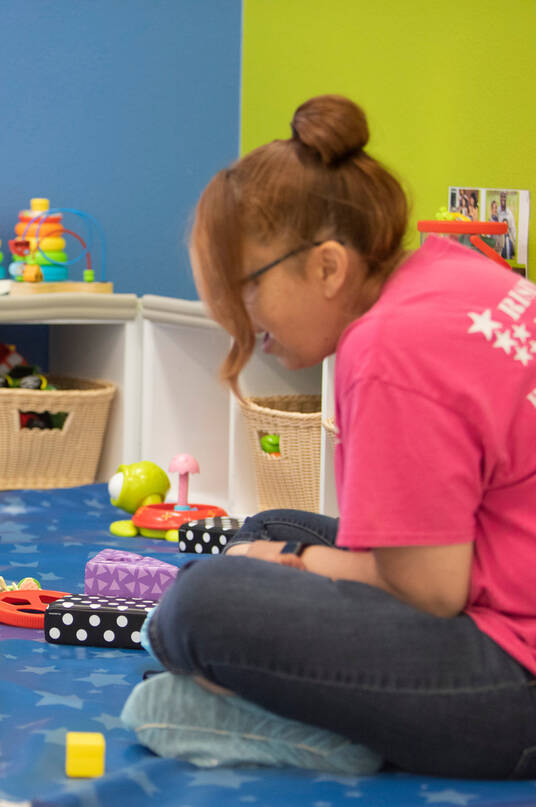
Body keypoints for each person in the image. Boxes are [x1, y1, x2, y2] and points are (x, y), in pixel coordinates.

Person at [123, 95, 536, 778]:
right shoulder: (447, 272)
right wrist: (283, 548)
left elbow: (433, 589)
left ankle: (320, 722)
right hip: (500, 594)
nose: (243, 320)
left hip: (510, 677)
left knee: (202, 604)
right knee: (270, 524)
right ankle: (275, 673)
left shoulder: (388, 347)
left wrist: (293, 563)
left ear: (327, 267)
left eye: (248, 288)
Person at [498, 191, 517, 261]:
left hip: (508, 240)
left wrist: (514, 242)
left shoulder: (510, 214)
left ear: (506, 198)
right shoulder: (497, 212)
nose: (503, 199)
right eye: (501, 197)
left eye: (504, 197)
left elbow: (513, 229)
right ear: (499, 198)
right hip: (499, 242)